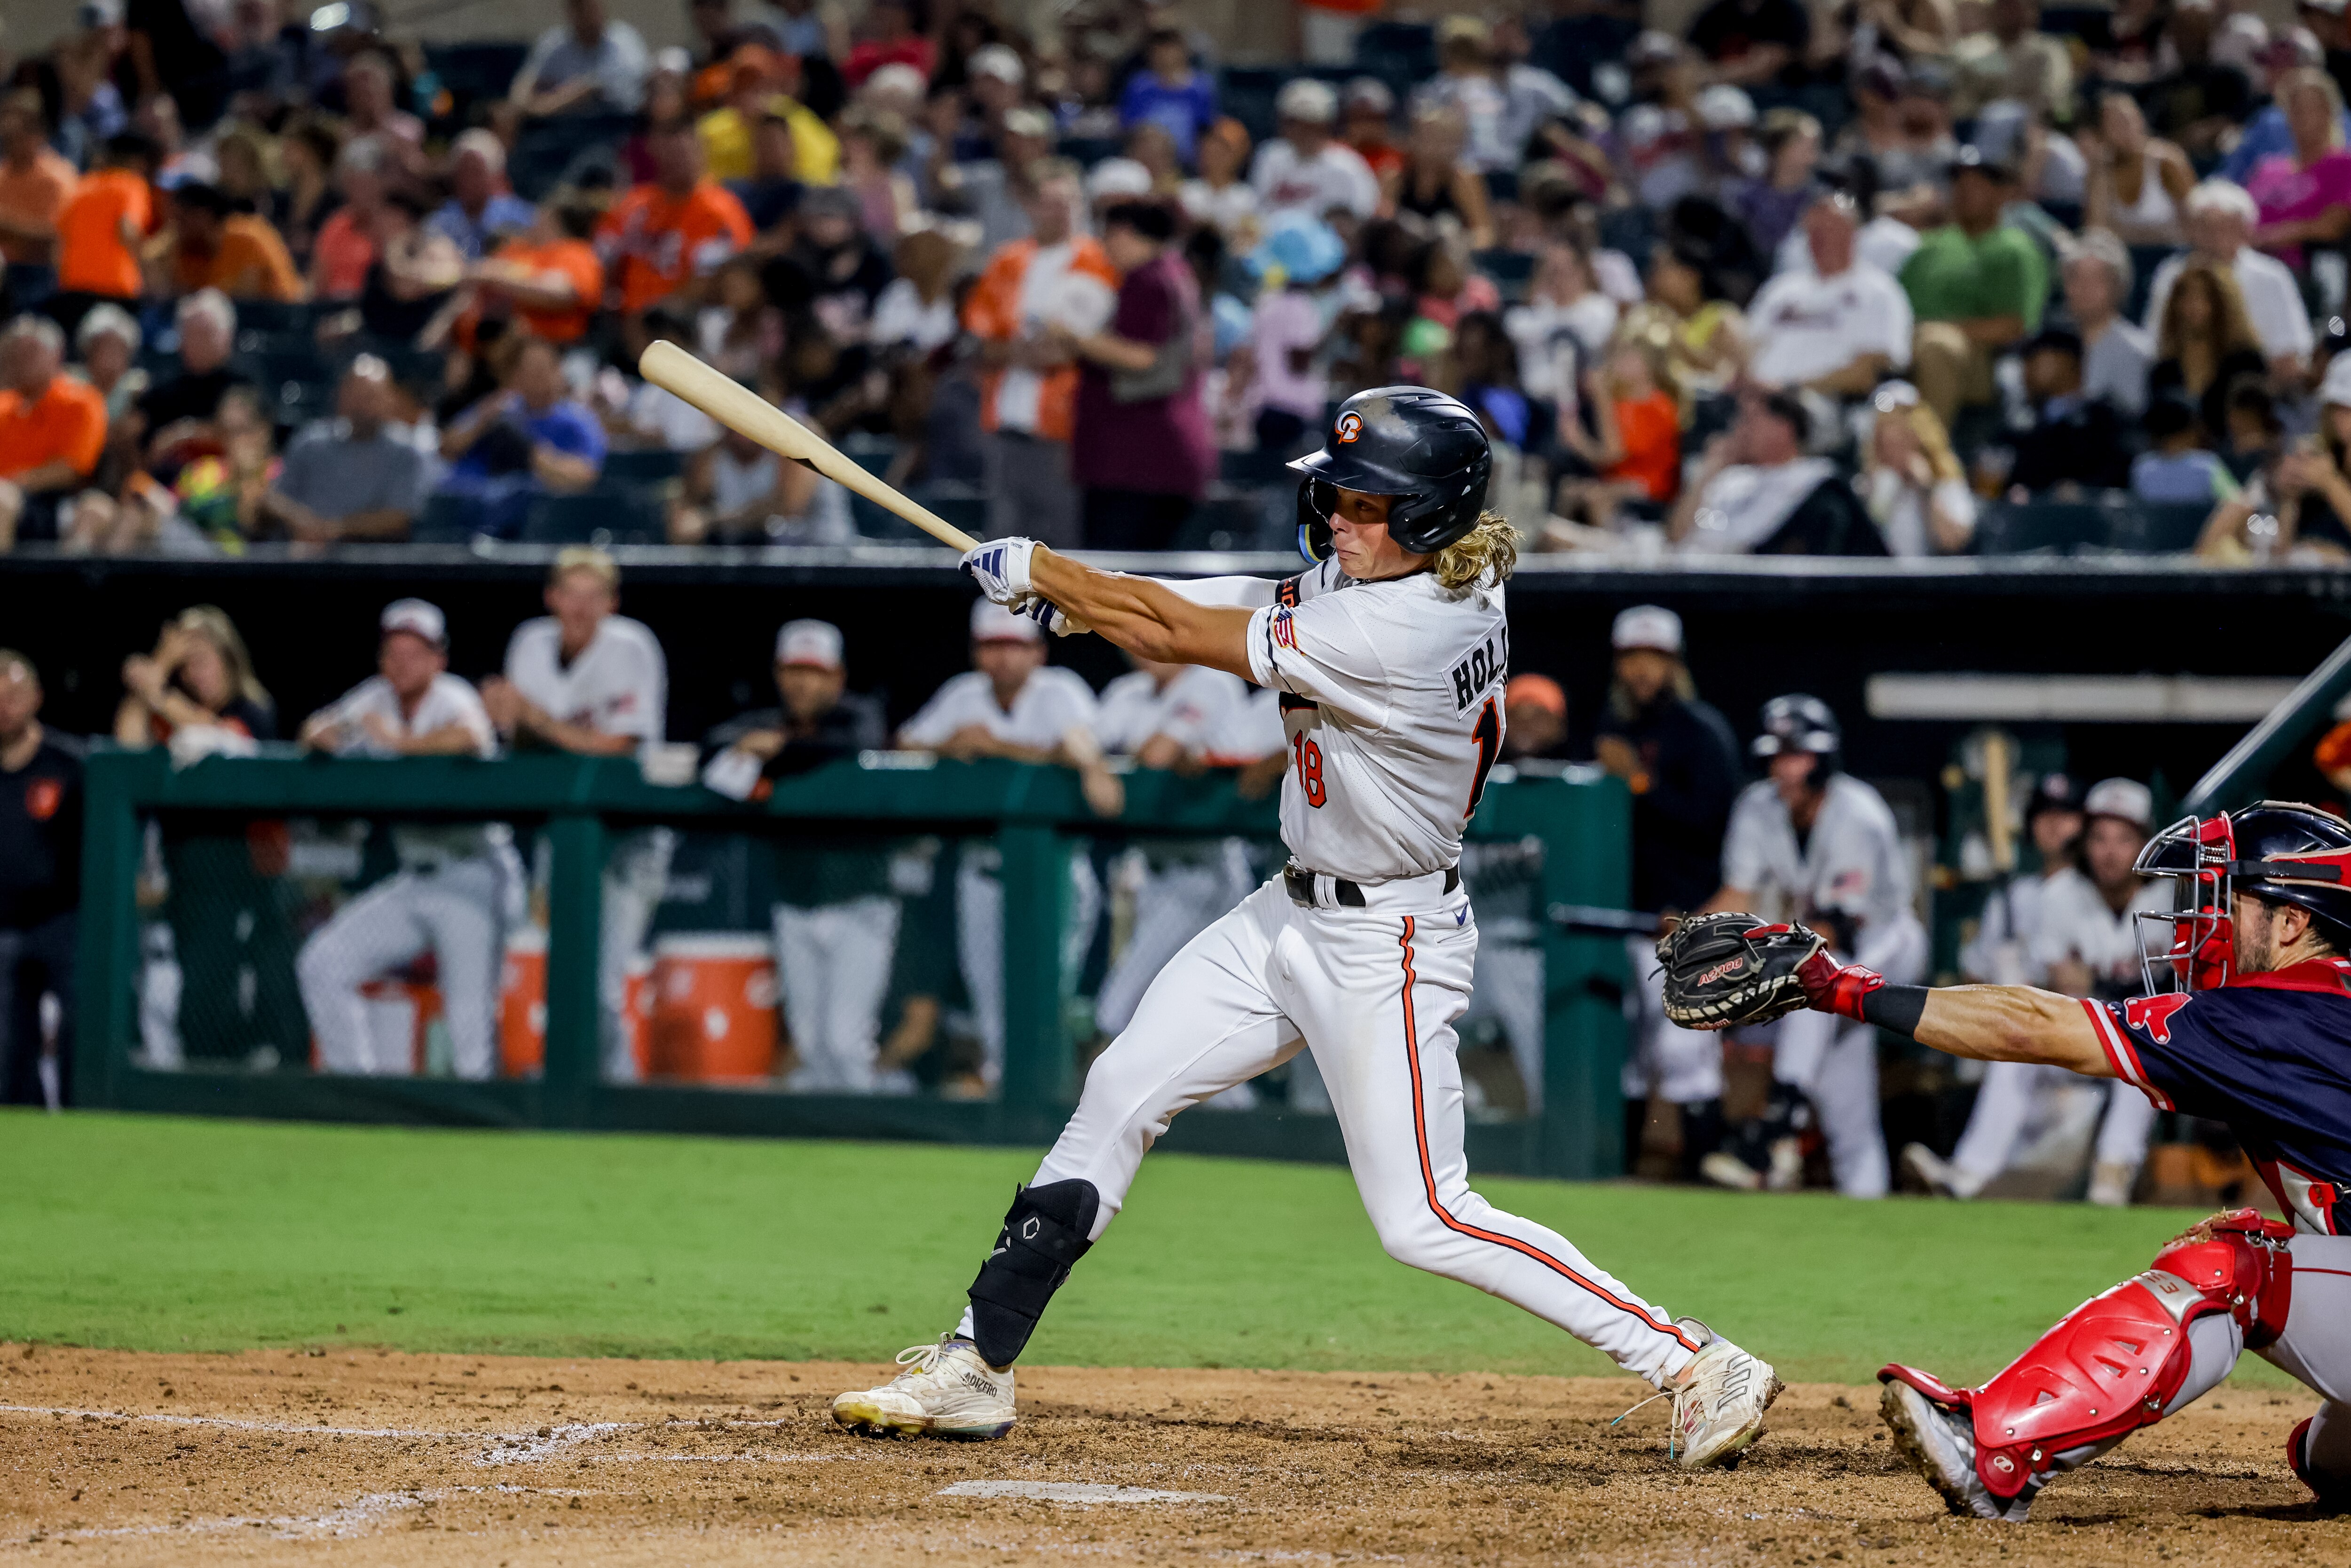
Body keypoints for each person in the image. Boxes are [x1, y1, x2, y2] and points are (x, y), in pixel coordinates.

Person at [835, 386, 1783, 1469]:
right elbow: (1223, 601)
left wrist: (1050, 576)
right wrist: (1085, 600)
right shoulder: (1403, 575)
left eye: (1368, 501)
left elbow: (1185, 629)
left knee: (1423, 1215)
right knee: (1117, 1092)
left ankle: (1694, 1358)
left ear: (1429, 517)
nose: (1339, 513)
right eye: (1338, 493)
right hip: (1285, 910)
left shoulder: (1405, 626)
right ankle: (976, 1362)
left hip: (1392, 940)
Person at [1758, 800, 2351, 1519]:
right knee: (2328, 1447)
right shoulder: (2321, 1001)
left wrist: (1844, 986)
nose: (2212, 918)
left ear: (2292, 923)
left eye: (2235, 900)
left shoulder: (2275, 1009)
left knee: (2229, 1270)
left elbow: (2032, 1026)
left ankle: (1995, 1450)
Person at [1700, 694, 1925, 1198]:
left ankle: (1777, 1129)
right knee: (1847, 1100)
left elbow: (1834, 926)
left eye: (1797, 755)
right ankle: (1858, 1196)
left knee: (1808, 983)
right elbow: (1737, 892)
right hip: (1822, 946)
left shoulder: (1858, 815)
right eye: (1778, 756)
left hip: (1886, 946)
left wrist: (1751, 955)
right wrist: (1686, 932)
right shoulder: (1758, 806)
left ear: (1822, 760)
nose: (1785, 768)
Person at [1906, 777, 2169, 1206]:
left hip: (2147, 1044)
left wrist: (2108, 986)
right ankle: (1969, 1174)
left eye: (2124, 838)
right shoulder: (2060, 896)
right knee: (2018, 1051)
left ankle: (2112, 1178)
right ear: (2084, 842)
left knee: (2143, 1047)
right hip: (2087, 1035)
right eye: (2099, 837)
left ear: (2146, 843)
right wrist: (2131, 987)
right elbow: (2067, 982)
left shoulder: (2173, 896)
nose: (2110, 850)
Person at [894, 599, 1111, 1089]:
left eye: (1014, 646)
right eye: (992, 646)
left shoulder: (1060, 691)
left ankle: (1055, 1095)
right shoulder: (962, 694)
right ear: (976, 652)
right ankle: (1006, 1100)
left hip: (1053, 875)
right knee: (990, 1001)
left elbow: (1082, 754)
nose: (1003, 658)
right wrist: (946, 746)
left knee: (1048, 994)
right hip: (982, 872)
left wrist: (996, 747)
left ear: (1038, 652)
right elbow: (904, 747)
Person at [293, 599, 513, 1079]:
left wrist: (397, 744)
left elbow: (470, 737)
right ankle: (358, 1095)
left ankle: (484, 1135)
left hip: (473, 873)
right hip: (415, 877)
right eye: (394, 651)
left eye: (416, 652)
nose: (402, 663)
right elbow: (314, 729)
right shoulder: (375, 697)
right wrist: (327, 736)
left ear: (439, 659)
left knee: (467, 1024)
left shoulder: (452, 697)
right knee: (323, 963)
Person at [482, 548, 670, 1083]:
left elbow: (618, 746)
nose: (581, 607)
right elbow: (521, 740)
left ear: (611, 602)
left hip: (632, 836)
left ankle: (608, 1088)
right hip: (562, 836)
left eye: (594, 596)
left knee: (603, 980)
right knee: (566, 970)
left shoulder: (631, 646)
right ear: (552, 597)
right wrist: (504, 716)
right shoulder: (531, 642)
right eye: (571, 593)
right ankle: (589, 1080)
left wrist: (536, 719)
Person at [701, 620, 900, 1093]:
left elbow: (855, 742)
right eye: (793, 669)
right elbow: (709, 743)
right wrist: (756, 747)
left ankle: (862, 1141)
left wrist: (779, 752)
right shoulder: (767, 721)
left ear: (836, 677)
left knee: (844, 1040)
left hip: (861, 899)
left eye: (814, 671)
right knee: (810, 1043)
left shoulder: (856, 716)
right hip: (794, 900)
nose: (802, 681)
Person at [1600, 607, 1743, 1179]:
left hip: (1691, 915)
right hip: (1633, 914)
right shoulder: (1616, 729)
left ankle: (1705, 1167)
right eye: (1632, 658)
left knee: (1687, 1046)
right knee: (1632, 1051)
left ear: (1673, 664)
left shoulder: (1699, 731)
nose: (1641, 671)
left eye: (1653, 659)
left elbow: (1710, 821)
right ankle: (1626, 1166)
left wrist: (1637, 781)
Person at [962, 163, 1118, 548]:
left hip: (1067, 429)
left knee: (1062, 545)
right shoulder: (1007, 261)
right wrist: (1023, 351)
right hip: (1006, 421)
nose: (1059, 212)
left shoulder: (1099, 261)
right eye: (1048, 203)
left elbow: (1092, 342)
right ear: (1029, 206)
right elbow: (979, 339)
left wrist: (1036, 350)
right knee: (1003, 545)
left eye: (1067, 202)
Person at [1062, 199, 1212, 552]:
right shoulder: (1176, 272)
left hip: (1138, 463)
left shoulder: (1149, 279)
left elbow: (1143, 355)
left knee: (1115, 580)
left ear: (1124, 233)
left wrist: (1075, 338)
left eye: (1108, 234)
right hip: (1158, 459)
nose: (1104, 245)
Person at [1901, 148, 2046, 426]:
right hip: (1912, 345)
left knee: (1937, 347)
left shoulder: (2014, 249)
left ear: (2001, 193)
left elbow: (2015, 326)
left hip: (1981, 359)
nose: (1965, 191)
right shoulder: (1929, 245)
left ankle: (1931, 457)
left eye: (1977, 185)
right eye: (1960, 184)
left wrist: (1939, 330)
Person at [0, 650, 81, 1108]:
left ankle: (81, 1114)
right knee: (9, 1045)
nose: (3, 706)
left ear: (36, 698)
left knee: (79, 1024)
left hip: (63, 920)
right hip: (3, 923)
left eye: (12, 695)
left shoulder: (70, 764)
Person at [1669, 390, 1886, 555]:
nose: (1740, 429)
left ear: (1784, 427)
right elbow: (1677, 537)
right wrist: (1708, 472)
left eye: (1751, 420)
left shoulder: (1819, 487)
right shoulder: (1732, 481)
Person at [1744, 191, 1914, 398]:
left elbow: (1869, 372)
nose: (1819, 239)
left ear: (1851, 233)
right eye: (1813, 231)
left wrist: (1790, 389)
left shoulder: (1879, 291)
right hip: (1756, 398)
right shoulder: (1782, 288)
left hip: (1822, 402)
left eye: (1829, 230)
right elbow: (1749, 346)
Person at [435, 335, 605, 538]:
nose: (539, 378)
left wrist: (531, 454)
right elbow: (447, 449)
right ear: (515, 376)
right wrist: (484, 421)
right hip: (475, 516)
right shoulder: (498, 410)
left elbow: (585, 477)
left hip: (540, 522)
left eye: (545, 369)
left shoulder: (579, 421)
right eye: (530, 371)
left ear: (559, 372)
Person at [2146, 180, 2315, 381]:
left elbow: (2290, 351)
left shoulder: (2272, 277)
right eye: (2205, 228)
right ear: (2192, 230)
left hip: (2254, 384)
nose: (2215, 237)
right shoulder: (2172, 274)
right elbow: (2155, 344)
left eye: (2225, 228)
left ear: (2245, 230)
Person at [258, 355, 434, 544]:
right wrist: (302, 522)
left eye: (370, 397)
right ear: (341, 396)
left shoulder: (405, 452)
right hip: (304, 556)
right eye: (355, 395)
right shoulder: (311, 441)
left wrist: (336, 529)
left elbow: (400, 518)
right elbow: (274, 498)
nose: (362, 407)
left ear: (389, 399)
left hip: (374, 562)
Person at [598, 118, 755, 317]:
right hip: (625, 319)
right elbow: (604, 259)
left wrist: (660, 315)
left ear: (700, 153)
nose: (677, 162)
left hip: (690, 321)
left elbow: (731, 278)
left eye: (683, 153)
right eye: (670, 155)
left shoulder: (720, 209)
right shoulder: (634, 206)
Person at [0, 315, 107, 548]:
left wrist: (12, 483)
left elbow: (71, 469)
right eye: (14, 353)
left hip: (57, 502)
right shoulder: (5, 404)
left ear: (55, 355)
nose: (20, 361)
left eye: (30, 353)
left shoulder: (81, 401)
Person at [2147, 260, 2269, 442]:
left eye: (2204, 297)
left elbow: (2258, 429)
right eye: (2186, 297)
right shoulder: (2163, 372)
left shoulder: (2247, 365)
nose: (2194, 306)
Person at [2245, 67, 2351, 273]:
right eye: (2295, 108)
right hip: (2248, 260)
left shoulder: (2343, 164)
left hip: (2302, 269)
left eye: (2311, 108)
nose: (2302, 116)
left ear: (2329, 112)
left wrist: (2267, 237)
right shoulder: (2268, 168)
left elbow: (2331, 228)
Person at [2008, 328, 2133, 494]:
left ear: (2066, 361)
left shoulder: (2106, 418)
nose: (2026, 372)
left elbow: (2121, 473)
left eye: (2034, 360)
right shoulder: (2023, 425)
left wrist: (2084, 490)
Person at [1857, 381, 1975, 555]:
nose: (1895, 439)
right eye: (1887, 430)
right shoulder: (1867, 485)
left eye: (1904, 434)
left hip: (1931, 580)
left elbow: (1954, 542)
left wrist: (1927, 490)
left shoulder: (1945, 481)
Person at [1250, 79, 1381, 225]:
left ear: (1325, 125)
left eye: (1309, 124)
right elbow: (1256, 212)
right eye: (1293, 123)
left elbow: (1362, 216)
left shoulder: (1347, 166)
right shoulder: (1271, 156)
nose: (1300, 131)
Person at [52, 132, 153, 314]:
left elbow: (59, 239)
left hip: (75, 286)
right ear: (136, 161)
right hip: (116, 289)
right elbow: (127, 230)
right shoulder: (131, 185)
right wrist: (146, 269)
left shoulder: (81, 187)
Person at [2081, 90, 2194, 246]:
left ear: (2140, 121)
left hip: (2168, 255)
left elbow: (2195, 221)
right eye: (2115, 124)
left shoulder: (2168, 162)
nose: (2124, 129)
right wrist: (2100, 173)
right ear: (2103, 132)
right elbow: (2096, 230)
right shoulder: (2100, 170)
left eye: (2128, 121)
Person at [158, 181, 303, 302]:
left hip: (281, 319)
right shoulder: (192, 251)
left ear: (203, 216)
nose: (175, 229)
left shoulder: (245, 236)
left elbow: (245, 299)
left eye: (181, 220)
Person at [2063, 229, 2153, 417]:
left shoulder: (2138, 350)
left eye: (2096, 279)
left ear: (2119, 287)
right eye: (2076, 278)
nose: (2084, 288)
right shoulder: (2053, 343)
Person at [0, 92, 79, 306]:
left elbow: (59, 236)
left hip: (41, 276)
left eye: (22, 130)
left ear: (40, 134)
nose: (10, 132)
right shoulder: (2, 174)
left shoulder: (58, 177)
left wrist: (8, 227)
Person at [511, 0, 651, 117]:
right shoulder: (554, 44)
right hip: (561, 126)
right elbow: (523, 89)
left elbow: (645, 93)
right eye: (580, 8)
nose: (590, 15)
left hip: (614, 127)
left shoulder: (625, 41)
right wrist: (530, 106)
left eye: (593, 7)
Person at [431, 131, 537, 263]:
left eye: (476, 172)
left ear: (495, 176)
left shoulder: (521, 217)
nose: (467, 181)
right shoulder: (444, 218)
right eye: (462, 172)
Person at [1120, 28, 1217, 168]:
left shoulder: (1201, 89)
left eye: (1169, 49)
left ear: (1183, 51)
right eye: (1158, 50)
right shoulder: (1139, 86)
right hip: (1146, 162)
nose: (1164, 56)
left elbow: (1206, 130)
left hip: (1188, 163)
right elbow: (1129, 128)